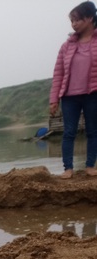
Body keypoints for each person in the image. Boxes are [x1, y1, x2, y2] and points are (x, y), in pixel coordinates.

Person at [49, 1, 97, 179]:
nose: (74, 24)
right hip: (69, 97)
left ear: (89, 18)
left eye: (77, 20)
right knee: (69, 132)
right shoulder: (66, 46)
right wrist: (54, 100)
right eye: (72, 21)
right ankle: (67, 168)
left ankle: (90, 166)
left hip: (93, 95)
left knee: (93, 131)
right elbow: (58, 73)